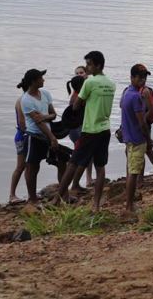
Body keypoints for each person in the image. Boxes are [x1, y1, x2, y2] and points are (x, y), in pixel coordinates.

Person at [54, 51, 116, 212]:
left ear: (98, 65)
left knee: (73, 163)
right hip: (105, 129)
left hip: (89, 130)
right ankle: (95, 205)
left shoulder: (89, 83)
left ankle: (56, 200)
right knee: (100, 166)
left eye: (89, 64)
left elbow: (76, 105)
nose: (87, 67)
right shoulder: (111, 83)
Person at [19, 69, 60, 205]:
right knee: (32, 168)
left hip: (47, 134)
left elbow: (53, 114)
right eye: (41, 78)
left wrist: (44, 116)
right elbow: (39, 122)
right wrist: (52, 138)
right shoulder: (26, 99)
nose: (43, 80)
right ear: (33, 81)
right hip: (34, 136)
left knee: (62, 161)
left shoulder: (45, 94)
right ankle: (32, 198)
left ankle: (63, 194)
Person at [121, 64, 151, 216]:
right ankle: (129, 206)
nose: (142, 80)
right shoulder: (136, 97)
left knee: (131, 170)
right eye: (139, 77)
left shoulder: (127, 93)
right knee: (134, 172)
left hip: (129, 137)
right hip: (137, 138)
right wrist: (149, 139)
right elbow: (142, 122)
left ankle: (129, 204)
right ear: (132, 77)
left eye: (144, 77)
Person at [66, 75, 88, 195]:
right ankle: (74, 184)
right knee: (79, 157)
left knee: (80, 157)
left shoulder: (75, 96)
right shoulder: (78, 98)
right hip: (77, 130)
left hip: (75, 130)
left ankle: (75, 183)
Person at [9, 83, 28, 204]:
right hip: (22, 136)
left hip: (26, 135)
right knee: (21, 166)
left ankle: (29, 192)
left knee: (30, 165)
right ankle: (12, 195)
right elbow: (22, 124)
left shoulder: (28, 99)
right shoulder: (22, 100)